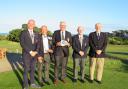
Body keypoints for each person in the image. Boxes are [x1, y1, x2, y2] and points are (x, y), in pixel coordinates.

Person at [19, 19, 41, 89]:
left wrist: (36, 51)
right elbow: (22, 44)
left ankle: (32, 83)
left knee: (33, 69)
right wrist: (30, 52)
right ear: (27, 24)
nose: (31, 25)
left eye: (32, 24)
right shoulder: (23, 33)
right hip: (26, 54)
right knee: (26, 69)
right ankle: (25, 85)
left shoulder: (36, 33)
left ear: (34, 25)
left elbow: (38, 44)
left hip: (34, 55)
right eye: (30, 23)